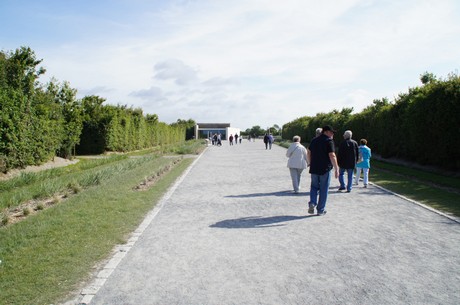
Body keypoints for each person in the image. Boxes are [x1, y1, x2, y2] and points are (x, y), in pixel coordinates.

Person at [307, 125, 339, 216]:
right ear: (325, 132)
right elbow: (332, 155)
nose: (332, 134)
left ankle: (312, 202)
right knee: (323, 189)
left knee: (313, 187)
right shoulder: (329, 141)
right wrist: (337, 168)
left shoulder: (314, 140)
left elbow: (308, 152)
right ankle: (320, 210)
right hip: (325, 169)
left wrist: (310, 162)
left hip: (314, 168)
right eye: (331, 132)